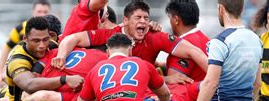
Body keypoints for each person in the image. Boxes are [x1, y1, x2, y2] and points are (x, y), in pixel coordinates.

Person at [52, 0, 208, 72]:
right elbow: (73, 38)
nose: (143, 22)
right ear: (125, 21)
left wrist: (217, 78)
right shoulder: (110, 34)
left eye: (146, 18)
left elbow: (193, 51)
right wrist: (61, 55)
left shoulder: (155, 36)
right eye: (138, 18)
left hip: (143, 94)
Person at [0, 0, 51, 88]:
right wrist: (0, 73)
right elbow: (7, 48)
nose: (42, 14)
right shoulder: (21, 29)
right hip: (22, 71)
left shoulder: (52, 30)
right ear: (33, 12)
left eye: (45, 12)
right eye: (39, 11)